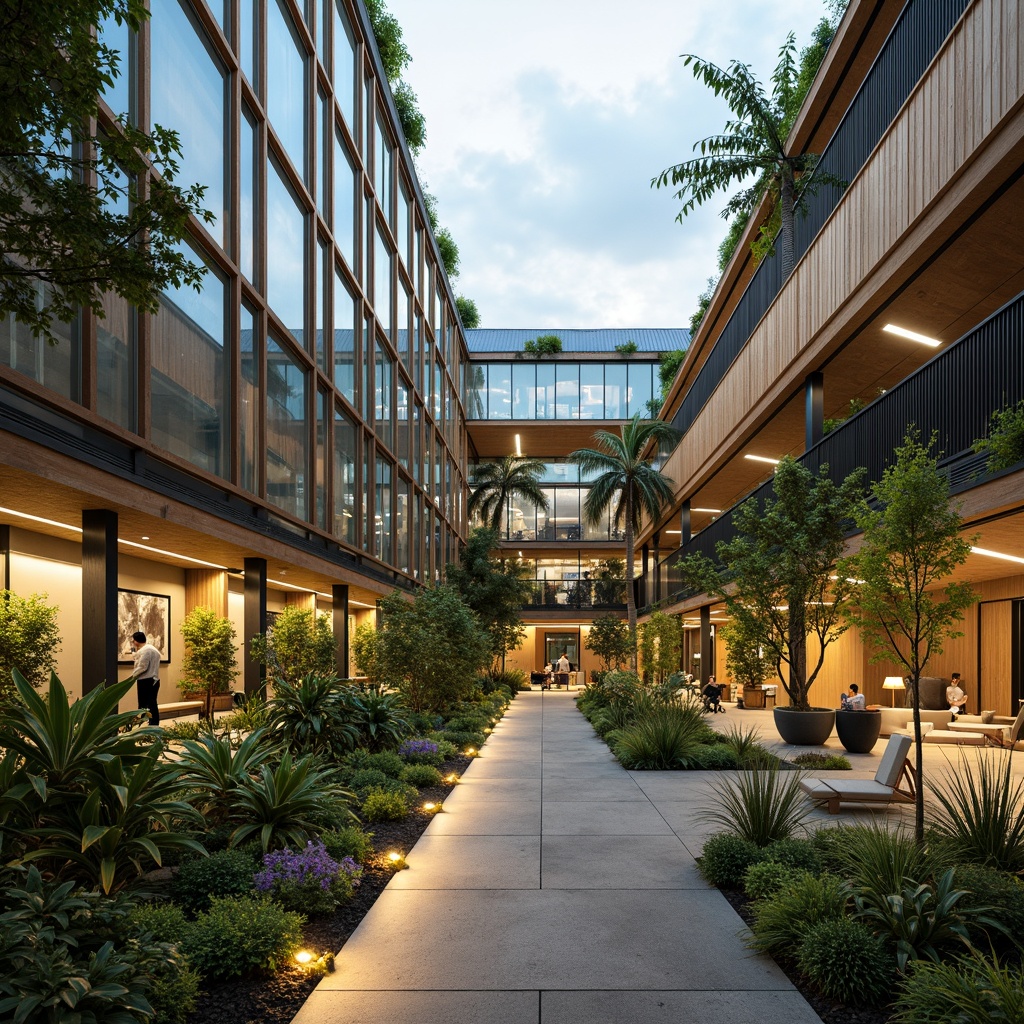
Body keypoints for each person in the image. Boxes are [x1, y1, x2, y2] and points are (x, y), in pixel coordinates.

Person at [128, 631, 161, 725]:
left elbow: (143, 666)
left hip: (146, 680)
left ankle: (144, 724)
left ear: (136, 641)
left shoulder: (145, 651)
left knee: (144, 704)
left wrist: (132, 676)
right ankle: (154, 724)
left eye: (133, 640)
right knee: (152, 703)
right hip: (155, 679)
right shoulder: (153, 650)